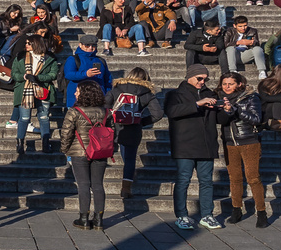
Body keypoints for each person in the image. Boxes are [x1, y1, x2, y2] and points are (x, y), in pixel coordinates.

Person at [165, 65, 223, 230]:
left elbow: (220, 118)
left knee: (206, 181)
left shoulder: (210, 94)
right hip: (184, 144)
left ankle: (207, 215)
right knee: (183, 181)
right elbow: (172, 111)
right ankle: (182, 215)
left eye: (205, 79)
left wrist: (226, 109)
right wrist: (198, 104)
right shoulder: (175, 94)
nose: (202, 82)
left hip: (206, 145)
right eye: (199, 78)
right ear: (190, 76)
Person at [216, 72, 270, 227]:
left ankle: (261, 212)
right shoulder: (220, 98)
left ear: (239, 84)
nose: (226, 87)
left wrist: (237, 110)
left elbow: (256, 119)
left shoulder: (250, 97)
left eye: (230, 84)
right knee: (234, 178)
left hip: (248, 141)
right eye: (224, 83)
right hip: (229, 142)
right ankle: (236, 210)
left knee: (253, 178)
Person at [62, 83, 111, 230]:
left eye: (77, 91)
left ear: (84, 94)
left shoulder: (74, 111)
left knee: (83, 185)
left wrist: (65, 149)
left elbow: (66, 133)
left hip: (79, 151)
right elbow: (112, 130)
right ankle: (98, 219)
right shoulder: (105, 111)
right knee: (97, 185)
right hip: (100, 151)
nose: (75, 94)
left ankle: (84, 218)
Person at [108, 67, 158, 200]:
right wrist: (141, 121)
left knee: (120, 153)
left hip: (116, 127)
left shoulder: (117, 89)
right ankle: (126, 188)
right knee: (130, 159)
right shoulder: (147, 93)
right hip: (134, 128)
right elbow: (158, 114)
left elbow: (105, 105)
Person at [10, 36, 61, 158]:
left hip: (42, 90)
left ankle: (45, 142)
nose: (26, 45)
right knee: (24, 118)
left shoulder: (50, 58)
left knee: (43, 117)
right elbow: (14, 73)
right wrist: (24, 76)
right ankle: (20, 143)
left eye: (29, 43)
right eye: (26, 42)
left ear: (37, 44)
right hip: (25, 90)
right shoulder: (20, 56)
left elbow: (53, 74)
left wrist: (38, 78)